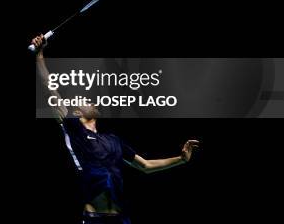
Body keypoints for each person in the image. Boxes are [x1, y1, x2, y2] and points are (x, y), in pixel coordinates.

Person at [32, 35, 199, 224]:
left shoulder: (114, 140)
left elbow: (145, 166)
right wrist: (39, 55)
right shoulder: (73, 128)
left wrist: (181, 159)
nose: (92, 101)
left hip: (121, 218)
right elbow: (49, 89)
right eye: (86, 101)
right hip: (95, 218)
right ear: (77, 111)